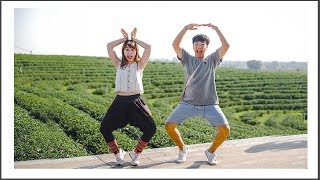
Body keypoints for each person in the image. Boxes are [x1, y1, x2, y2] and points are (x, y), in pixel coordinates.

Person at [165, 23, 230, 165]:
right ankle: (183, 149)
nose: (199, 46)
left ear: (206, 47)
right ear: (193, 46)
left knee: (225, 130)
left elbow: (226, 46)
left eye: (202, 44)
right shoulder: (187, 59)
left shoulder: (212, 59)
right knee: (169, 126)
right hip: (187, 103)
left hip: (210, 104)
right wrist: (184, 29)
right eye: (196, 44)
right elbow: (175, 44)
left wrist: (217, 28)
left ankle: (211, 151)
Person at [100, 28, 156, 166]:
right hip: (120, 102)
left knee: (151, 128)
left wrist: (133, 39)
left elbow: (148, 47)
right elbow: (109, 46)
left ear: (136, 51)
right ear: (123, 51)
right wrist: (125, 40)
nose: (129, 52)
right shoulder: (118, 64)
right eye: (126, 50)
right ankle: (118, 153)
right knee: (104, 127)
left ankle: (135, 153)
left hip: (136, 101)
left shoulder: (140, 65)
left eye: (132, 50)